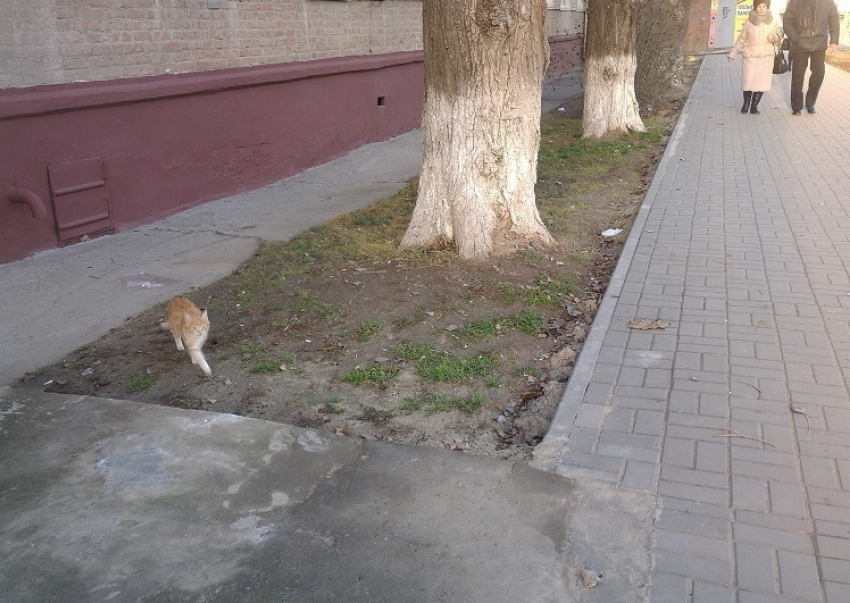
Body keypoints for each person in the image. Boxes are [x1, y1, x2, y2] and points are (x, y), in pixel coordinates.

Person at [783, 0, 839, 115]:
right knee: (798, 75)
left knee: (819, 73)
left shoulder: (828, 2)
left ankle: (811, 102)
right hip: (800, 44)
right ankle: (797, 106)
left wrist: (834, 40)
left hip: (819, 43)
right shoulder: (795, 2)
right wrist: (795, 38)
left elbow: (834, 21)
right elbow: (787, 21)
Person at [728, 1, 782, 115]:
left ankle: (754, 106)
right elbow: (741, 39)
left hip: (766, 57)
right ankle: (746, 103)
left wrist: (774, 37)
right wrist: (732, 53)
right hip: (751, 56)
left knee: (761, 83)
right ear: (755, 8)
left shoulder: (772, 22)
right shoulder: (749, 23)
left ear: (767, 7)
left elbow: (780, 35)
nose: (762, 9)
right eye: (759, 6)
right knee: (748, 81)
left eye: (764, 6)